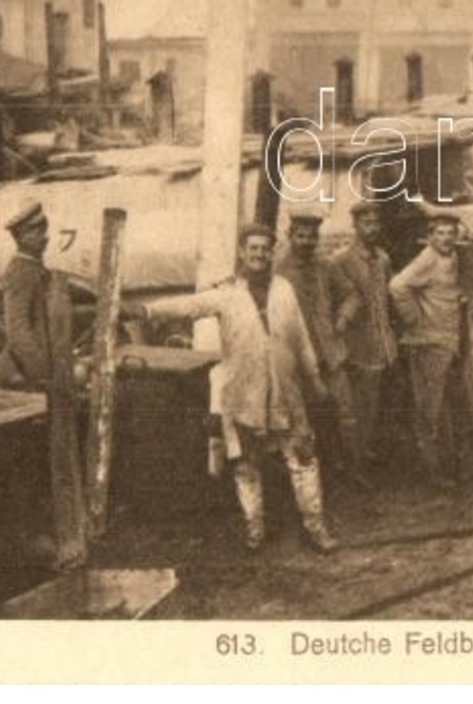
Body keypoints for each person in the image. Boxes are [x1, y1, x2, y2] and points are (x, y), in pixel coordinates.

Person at [137, 224, 337, 553]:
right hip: (245, 397)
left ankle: (316, 528)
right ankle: (254, 529)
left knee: (303, 458)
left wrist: (314, 378)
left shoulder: (284, 288)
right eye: (253, 249)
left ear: (272, 253)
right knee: (247, 466)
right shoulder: (227, 293)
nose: (259, 254)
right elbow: (192, 305)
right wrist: (147, 310)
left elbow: (300, 337)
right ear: (242, 253)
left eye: (265, 249)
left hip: (286, 394)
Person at [390, 212, 473, 488]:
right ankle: (436, 472)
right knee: (432, 409)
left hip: (453, 341)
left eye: (451, 232)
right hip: (429, 343)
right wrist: (415, 319)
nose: (446, 238)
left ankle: (469, 467)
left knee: (464, 404)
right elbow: (398, 286)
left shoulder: (455, 257)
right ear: (430, 235)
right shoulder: (427, 258)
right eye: (440, 233)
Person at [277, 210, 367, 489]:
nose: (306, 241)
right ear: (290, 237)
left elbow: (352, 295)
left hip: (331, 356)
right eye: (300, 236)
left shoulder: (326, 267)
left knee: (347, 416)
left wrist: (342, 320)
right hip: (299, 360)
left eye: (311, 236)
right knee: (305, 419)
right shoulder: (279, 273)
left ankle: (353, 471)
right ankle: (313, 479)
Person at [329, 201, 398, 467]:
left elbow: (387, 298)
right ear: (355, 225)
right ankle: (349, 458)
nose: (372, 228)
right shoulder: (341, 260)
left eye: (375, 223)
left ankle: (363, 451)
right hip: (354, 345)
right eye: (366, 223)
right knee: (352, 405)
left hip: (380, 341)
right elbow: (337, 302)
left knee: (372, 402)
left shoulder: (383, 259)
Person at [0, 202, 53, 390]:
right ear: (21, 238)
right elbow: (17, 331)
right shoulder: (20, 272)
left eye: (44, 231)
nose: (45, 238)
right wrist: (44, 373)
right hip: (23, 375)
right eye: (37, 233)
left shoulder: (34, 267)